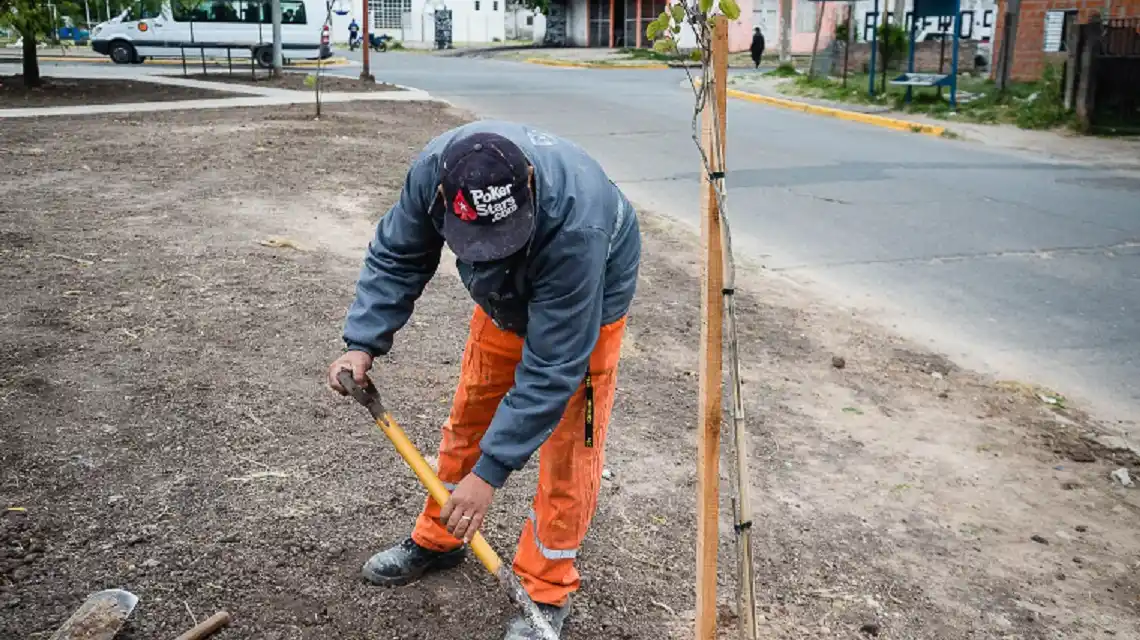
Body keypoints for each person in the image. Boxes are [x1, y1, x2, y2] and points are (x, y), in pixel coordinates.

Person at [327, 121, 640, 639]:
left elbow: (552, 367)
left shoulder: (578, 228)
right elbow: (398, 254)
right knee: (470, 415)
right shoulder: (435, 171)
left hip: (587, 302)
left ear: (531, 186)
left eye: (503, 239)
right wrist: (362, 340)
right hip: (503, 302)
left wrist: (489, 475)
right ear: (448, 199)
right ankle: (440, 537)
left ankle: (545, 588)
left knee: (569, 452)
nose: (490, 250)